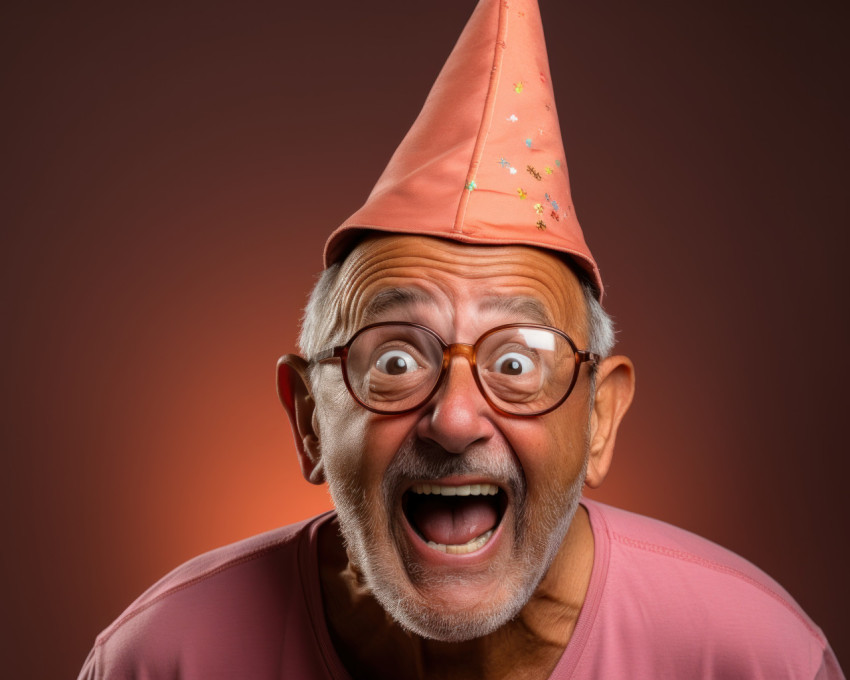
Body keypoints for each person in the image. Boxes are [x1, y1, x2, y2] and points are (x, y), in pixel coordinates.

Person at [78, 0, 844, 678]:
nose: (452, 420)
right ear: (309, 418)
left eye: (517, 362)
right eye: (395, 360)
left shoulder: (756, 658)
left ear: (600, 418)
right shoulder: (159, 660)